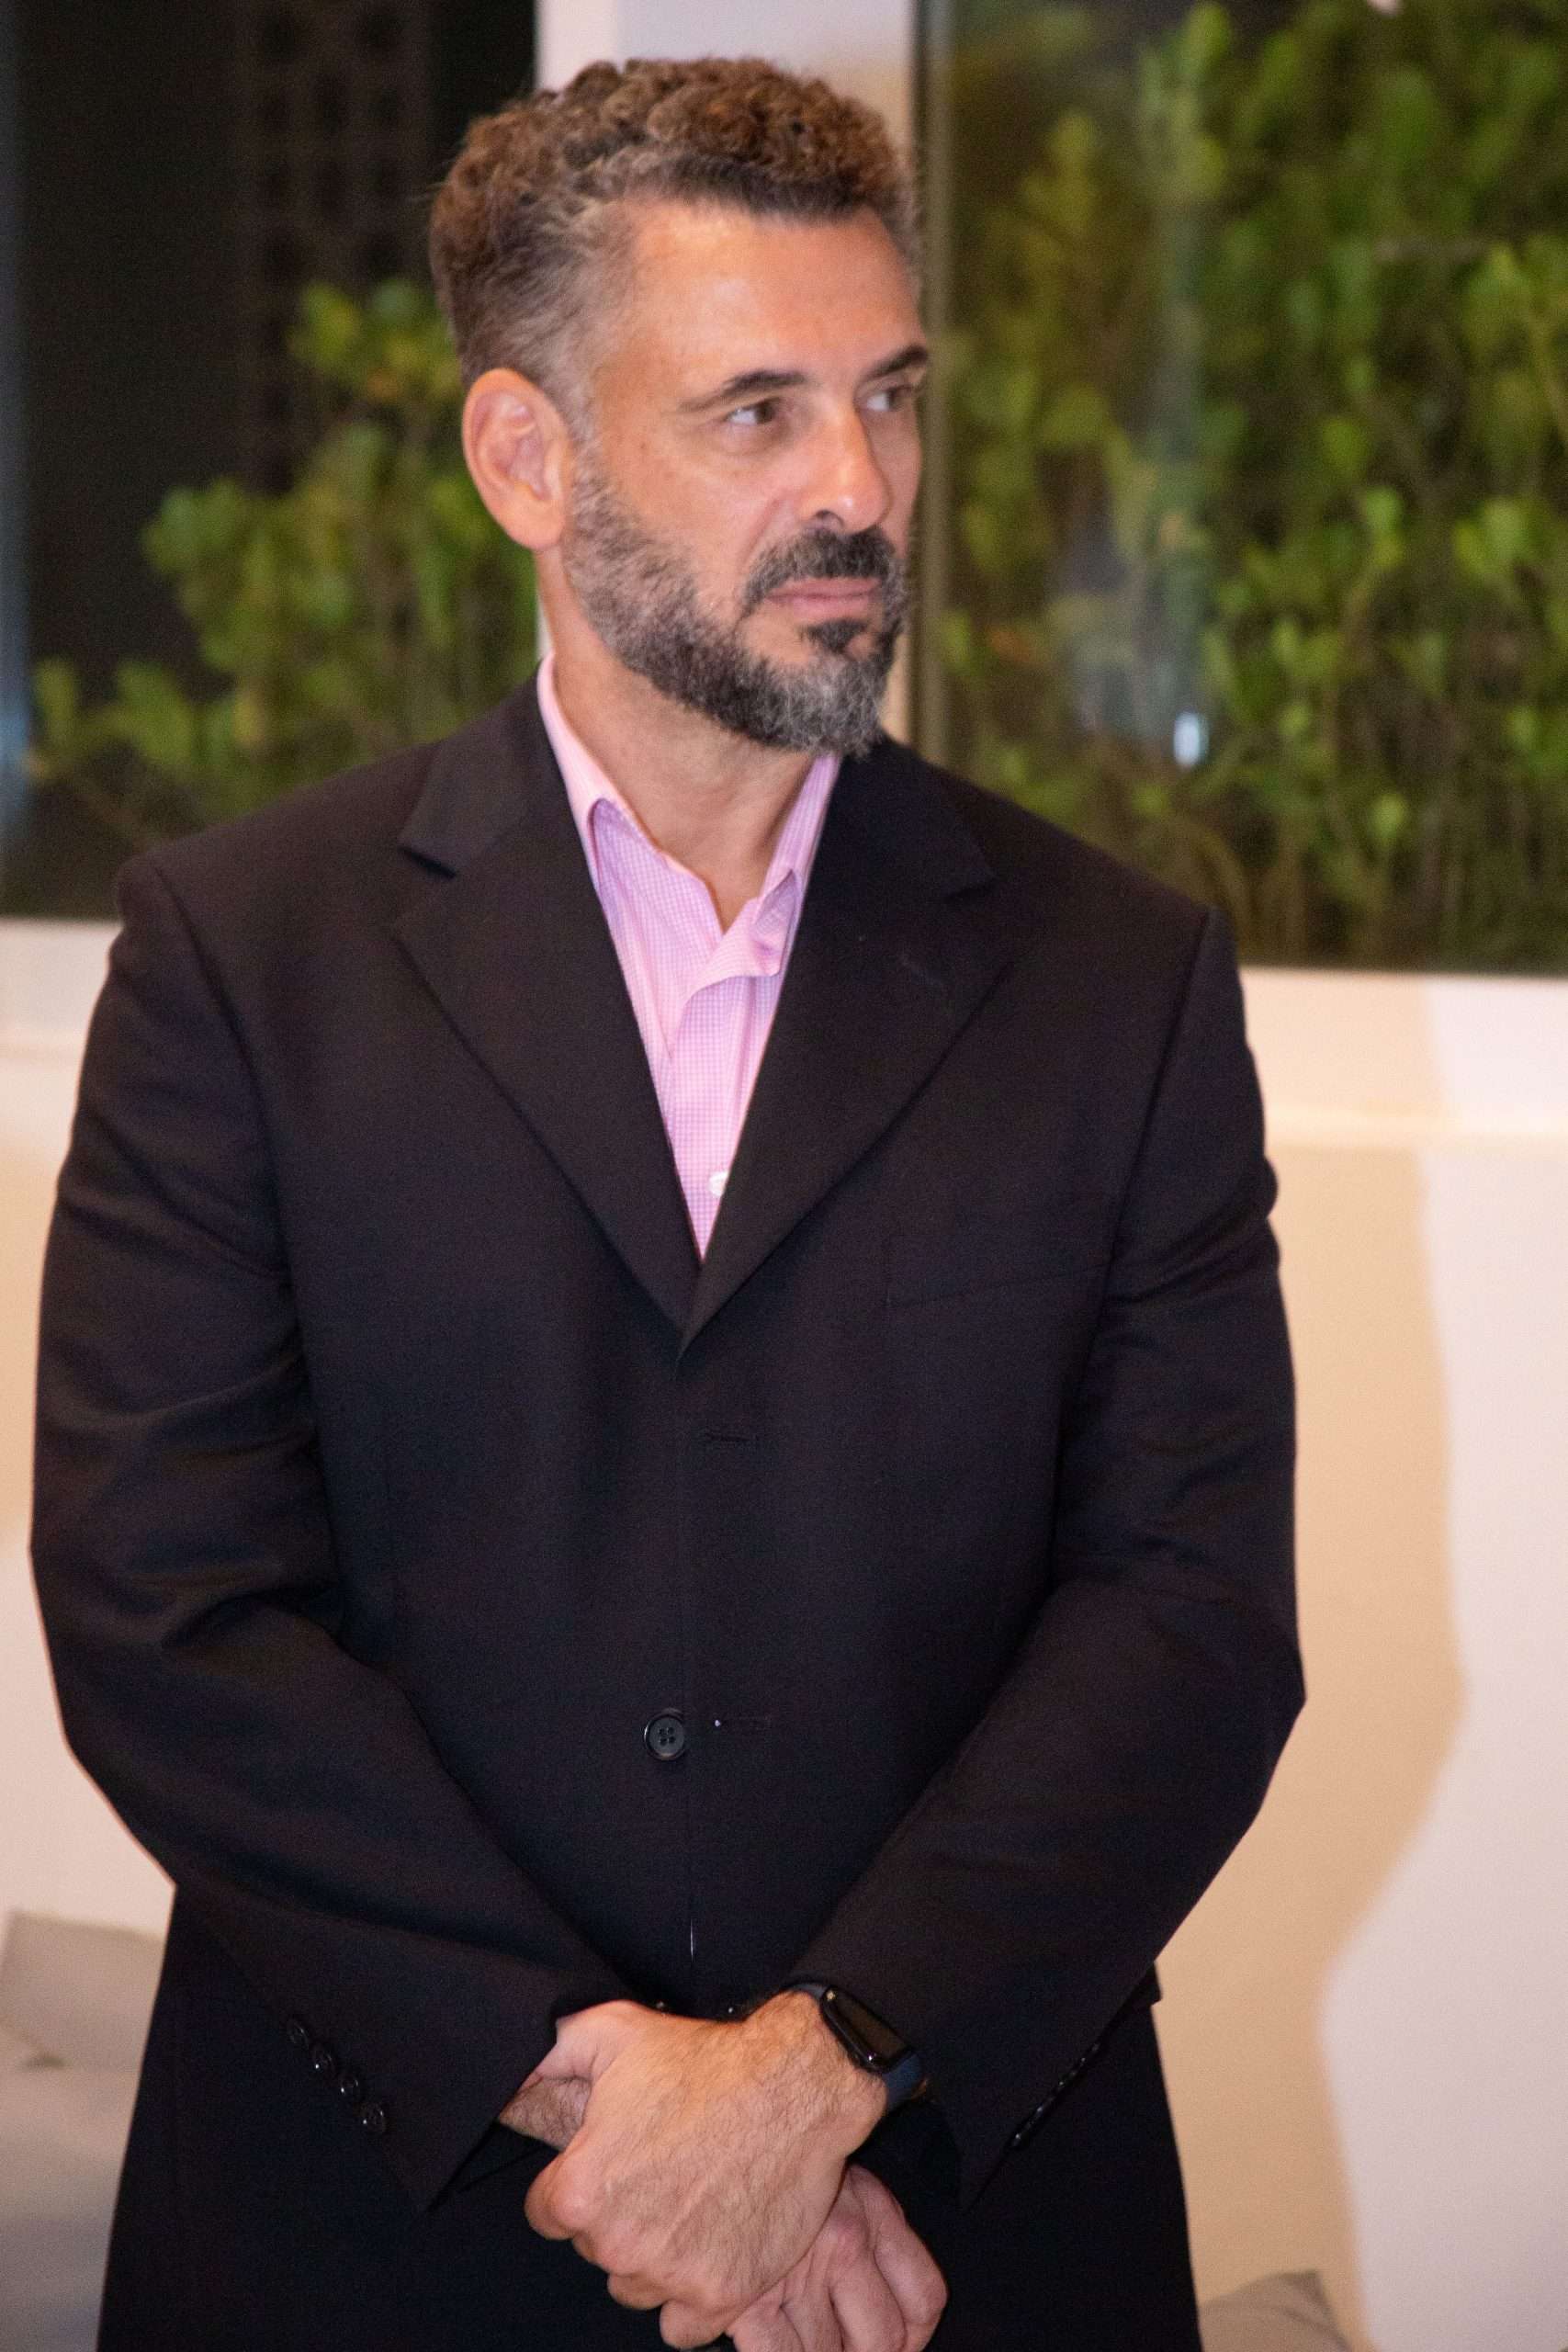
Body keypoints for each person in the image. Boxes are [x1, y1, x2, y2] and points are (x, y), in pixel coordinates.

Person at [31, 55, 1302, 2352]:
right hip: (378, 2226)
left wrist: (820, 2078)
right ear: (525, 457)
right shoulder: (242, 954)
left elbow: (1185, 1620)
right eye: (754, 414)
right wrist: (620, 2104)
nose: (859, 489)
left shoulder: (1116, 978)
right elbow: (167, 1606)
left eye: (886, 396)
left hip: (953, 2222)